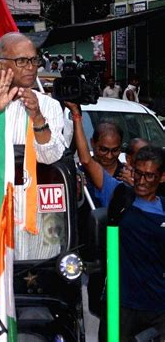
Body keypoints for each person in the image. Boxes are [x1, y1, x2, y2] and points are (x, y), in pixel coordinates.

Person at [0, 32, 66, 260]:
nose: (31, 67)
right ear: (0, 64)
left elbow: (51, 156)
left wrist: (37, 118)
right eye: (22, 61)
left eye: (34, 60)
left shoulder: (49, 106)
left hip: (34, 222)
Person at [67, 108, 165, 340]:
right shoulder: (119, 194)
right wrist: (77, 118)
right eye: (138, 173)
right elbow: (87, 160)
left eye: (150, 176)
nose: (141, 180)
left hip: (159, 307)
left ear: (161, 177)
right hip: (120, 303)